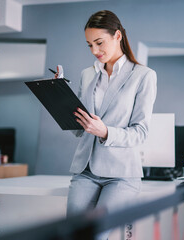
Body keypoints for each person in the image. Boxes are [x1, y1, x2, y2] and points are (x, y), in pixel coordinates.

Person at [62, 10, 157, 239]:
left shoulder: (143, 76)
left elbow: (140, 132)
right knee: (72, 235)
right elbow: (78, 128)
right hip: (85, 171)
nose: (95, 51)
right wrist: (59, 95)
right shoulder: (87, 74)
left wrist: (105, 132)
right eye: (89, 45)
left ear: (117, 36)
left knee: (96, 236)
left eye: (99, 42)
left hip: (121, 175)